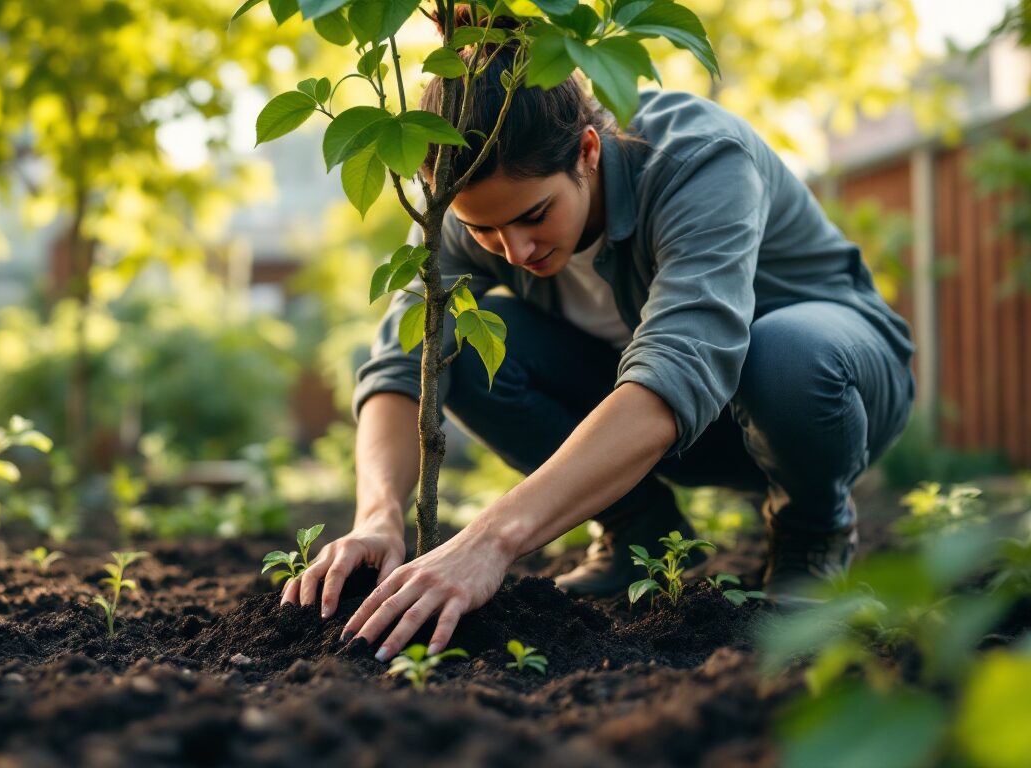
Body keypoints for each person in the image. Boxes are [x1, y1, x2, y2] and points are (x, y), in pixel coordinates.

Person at [280, 23, 915, 663]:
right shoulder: (468, 207)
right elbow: (403, 358)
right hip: (659, 430)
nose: (516, 251)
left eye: (534, 216)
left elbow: (679, 367)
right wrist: (379, 517)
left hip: (826, 397)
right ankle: (639, 528)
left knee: (783, 354)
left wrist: (490, 541)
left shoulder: (696, 156)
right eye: (486, 232)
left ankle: (812, 532)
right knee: (458, 345)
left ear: (588, 150)